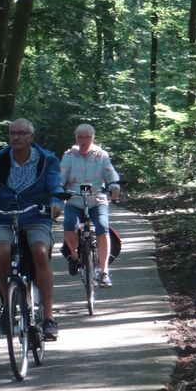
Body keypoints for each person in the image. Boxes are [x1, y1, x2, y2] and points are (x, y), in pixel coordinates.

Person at [0, 119, 65, 341]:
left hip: (36, 216)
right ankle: (8, 304)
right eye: (13, 133)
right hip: (3, 215)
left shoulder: (46, 159)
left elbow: (55, 185)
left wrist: (56, 203)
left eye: (21, 133)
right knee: (1, 252)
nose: (16, 137)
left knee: (40, 252)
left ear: (31, 137)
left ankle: (49, 317)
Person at [60, 123, 120, 288]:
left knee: (102, 226)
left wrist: (114, 185)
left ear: (93, 138)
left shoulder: (101, 155)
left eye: (87, 137)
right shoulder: (69, 155)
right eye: (80, 137)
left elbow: (110, 172)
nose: (83, 140)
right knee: (69, 224)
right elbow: (61, 175)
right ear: (76, 139)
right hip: (75, 198)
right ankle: (73, 255)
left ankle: (104, 271)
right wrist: (58, 191)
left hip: (96, 198)